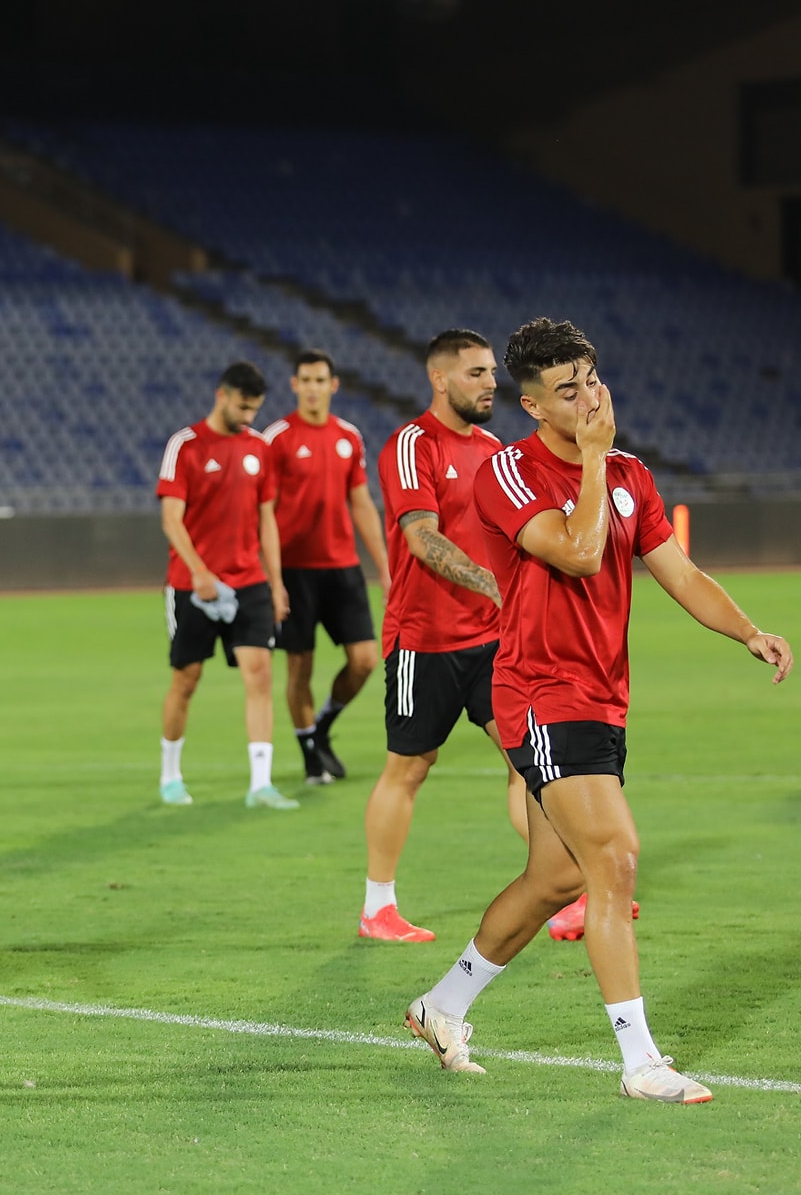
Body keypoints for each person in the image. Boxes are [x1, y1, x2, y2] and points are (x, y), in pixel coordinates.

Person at [404, 317, 793, 1103]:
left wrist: (748, 630)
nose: (588, 398)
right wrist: (589, 460)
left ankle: (441, 1006)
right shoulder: (509, 474)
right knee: (614, 858)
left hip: (602, 696)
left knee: (552, 876)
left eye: (592, 380)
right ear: (532, 406)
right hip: (540, 692)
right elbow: (579, 551)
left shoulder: (631, 475)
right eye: (566, 389)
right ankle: (641, 1061)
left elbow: (679, 572)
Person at [359, 330, 526, 943]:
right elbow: (421, 539)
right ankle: (379, 907)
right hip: (422, 640)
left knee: (524, 761)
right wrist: (491, 582)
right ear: (440, 378)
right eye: (477, 373)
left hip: (492, 640)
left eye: (491, 374)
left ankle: (560, 889)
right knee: (409, 768)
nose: (490, 384)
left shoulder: (492, 448)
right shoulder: (412, 445)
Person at [157, 361, 295, 809]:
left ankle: (261, 784)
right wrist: (199, 572)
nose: (249, 416)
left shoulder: (259, 449)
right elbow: (171, 519)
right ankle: (170, 775)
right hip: (192, 585)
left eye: (255, 409)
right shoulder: (186, 445)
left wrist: (276, 584)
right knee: (187, 679)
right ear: (221, 396)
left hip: (249, 581)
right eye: (243, 406)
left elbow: (267, 520)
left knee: (259, 674)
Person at [263, 350, 390, 786]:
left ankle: (321, 726)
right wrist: (273, 580)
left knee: (364, 661)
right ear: (294, 385)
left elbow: (360, 502)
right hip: (295, 572)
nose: (313, 387)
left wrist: (385, 568)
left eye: (321, 379)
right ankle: (310, 758)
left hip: (342, 567)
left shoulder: (348, 437)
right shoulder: (276, 438)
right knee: (300, 667)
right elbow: (264, 513)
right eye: (306, 379)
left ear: (334, 385)